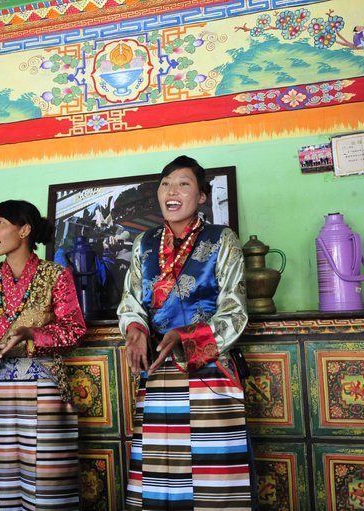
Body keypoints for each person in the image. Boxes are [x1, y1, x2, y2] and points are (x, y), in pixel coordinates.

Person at [117, 155, 252, 510]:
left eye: (183, 184)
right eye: (165, 184)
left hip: (208, 372)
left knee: (214, 476)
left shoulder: (221, 239)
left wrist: (186, 336)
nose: (171, 191)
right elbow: (131, 301)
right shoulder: (144, 243)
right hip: (158, 372)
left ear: (202, 197)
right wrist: (135, 331)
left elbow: (235, 311)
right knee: (160, 477)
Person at [0, 200, 86, 511]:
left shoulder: (56, 274)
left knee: (45, 481)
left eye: (0, 223)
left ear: (24, 230)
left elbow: (74, 328)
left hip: (43, 386)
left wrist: (32, 334)